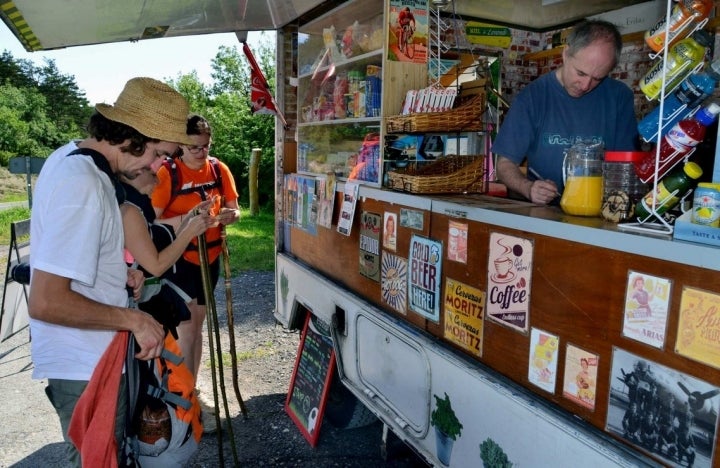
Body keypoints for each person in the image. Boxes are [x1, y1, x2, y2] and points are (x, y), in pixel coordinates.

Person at [28, 77, 194, 466]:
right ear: (133, 136)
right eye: (158, 153)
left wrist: (115, 275)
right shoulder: (82, 184)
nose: (156, 166)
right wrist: (132, 318)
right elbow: (46, 300)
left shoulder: (75, 160)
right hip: (86, 363)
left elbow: (73, 255)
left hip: (93, 356)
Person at [492, 19, 639, 205]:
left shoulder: (619, 97)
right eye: (581, 73)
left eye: (597, 79)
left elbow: (627, 167)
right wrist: (528, 188)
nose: (585, 86)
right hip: (546, 215)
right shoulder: (532, 97)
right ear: (565, 54)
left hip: (601, 214)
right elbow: (504, 165)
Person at [151, 114, 240, 381]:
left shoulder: (218, 169)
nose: (202, 153)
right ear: (181, 145)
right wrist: (188, 219)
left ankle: (191, 385)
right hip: (181, 260)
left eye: (206, 146)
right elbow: (152, 221)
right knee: (186, 328)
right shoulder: (168, 174)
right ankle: (183, 390)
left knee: (197, 325)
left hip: (210, 257)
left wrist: (229, 216)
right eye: (195, 148)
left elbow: (236, 210)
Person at [119, 168, 214, 331]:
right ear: (136, 173)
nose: (157, 181)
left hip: (149, 303)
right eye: (153, 174)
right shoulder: (128, 210)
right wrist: (191, 231)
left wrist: (192, 215)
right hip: (138, 308)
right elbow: (156, 265)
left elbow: (163, 241)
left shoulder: (137, 206)